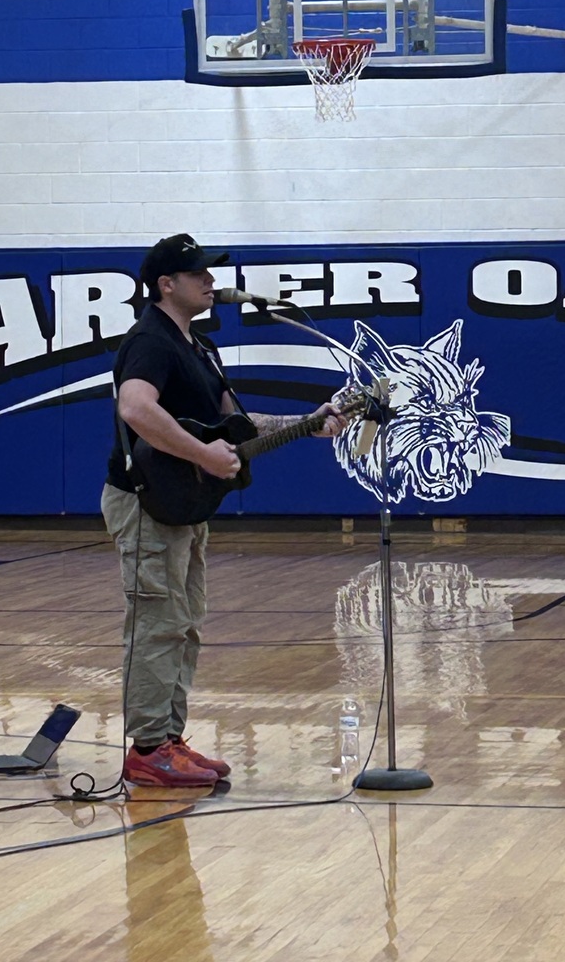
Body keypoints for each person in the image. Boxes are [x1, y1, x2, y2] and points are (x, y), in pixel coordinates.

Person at [101, 233, 347, 788]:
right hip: (146, 502)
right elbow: (136, 407)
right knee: (157, 623)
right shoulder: (151, 340)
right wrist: (201, 455)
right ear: (167, 284)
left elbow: (234, 423)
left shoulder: (199, 347)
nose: (211, 283)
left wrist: (309, 423)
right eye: (199, 275)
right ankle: (146, 749)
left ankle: (167, 739)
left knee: (183, 624)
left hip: (182, 502)